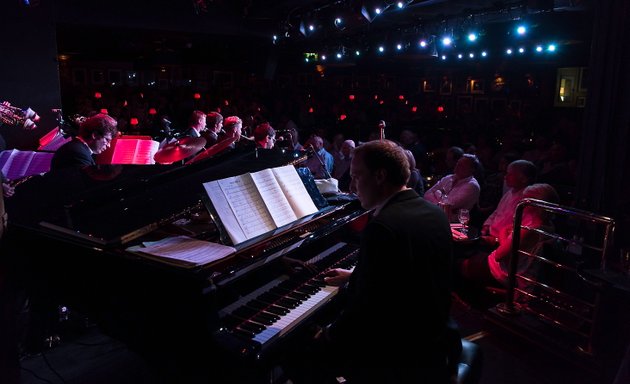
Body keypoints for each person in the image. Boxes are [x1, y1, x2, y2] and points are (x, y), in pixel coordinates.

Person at [289, 140, 454, 383]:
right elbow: (402, 278)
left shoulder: (383, 226)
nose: (353, 186)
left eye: (356, 176)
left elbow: (364, 310)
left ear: (380, 176)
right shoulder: (434, 212)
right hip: (431, 332)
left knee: (298, 353)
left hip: (398, 352)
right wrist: (355, 276)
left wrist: (327, 334)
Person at [459, 183, 559, 293]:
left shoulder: (530, 229)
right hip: (509, 267)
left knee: (456, 262)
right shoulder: (548, 225)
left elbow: (499, 255)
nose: (521, 203)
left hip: (501, 272)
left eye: (525, 200)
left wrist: (502, 234)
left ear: (535, 204)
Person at [481, 159, 537, 247]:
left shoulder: (528, 200)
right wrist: (486, 226)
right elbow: (497, 212)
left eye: (510, 174)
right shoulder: (510, 192)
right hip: (490, 236)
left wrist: (496, 240)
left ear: (524, 179)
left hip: (503, 244)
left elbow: (519, 231)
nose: (505, 177)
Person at [424, 154, 481, 222]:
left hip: (452, 223)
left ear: (471, 169)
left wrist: (437, 192)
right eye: (458, 163)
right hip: (435, 216)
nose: (457, 166)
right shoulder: (449, 178)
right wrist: (441, 198)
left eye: (461, 165)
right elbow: (426, 195)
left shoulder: (472, 186)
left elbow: (450, 205)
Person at [51, 113, 117, 170]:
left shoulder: (78, 148)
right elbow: (88, 182)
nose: (109, 145)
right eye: (107, 140)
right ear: (95, 135)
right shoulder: (78, 153)